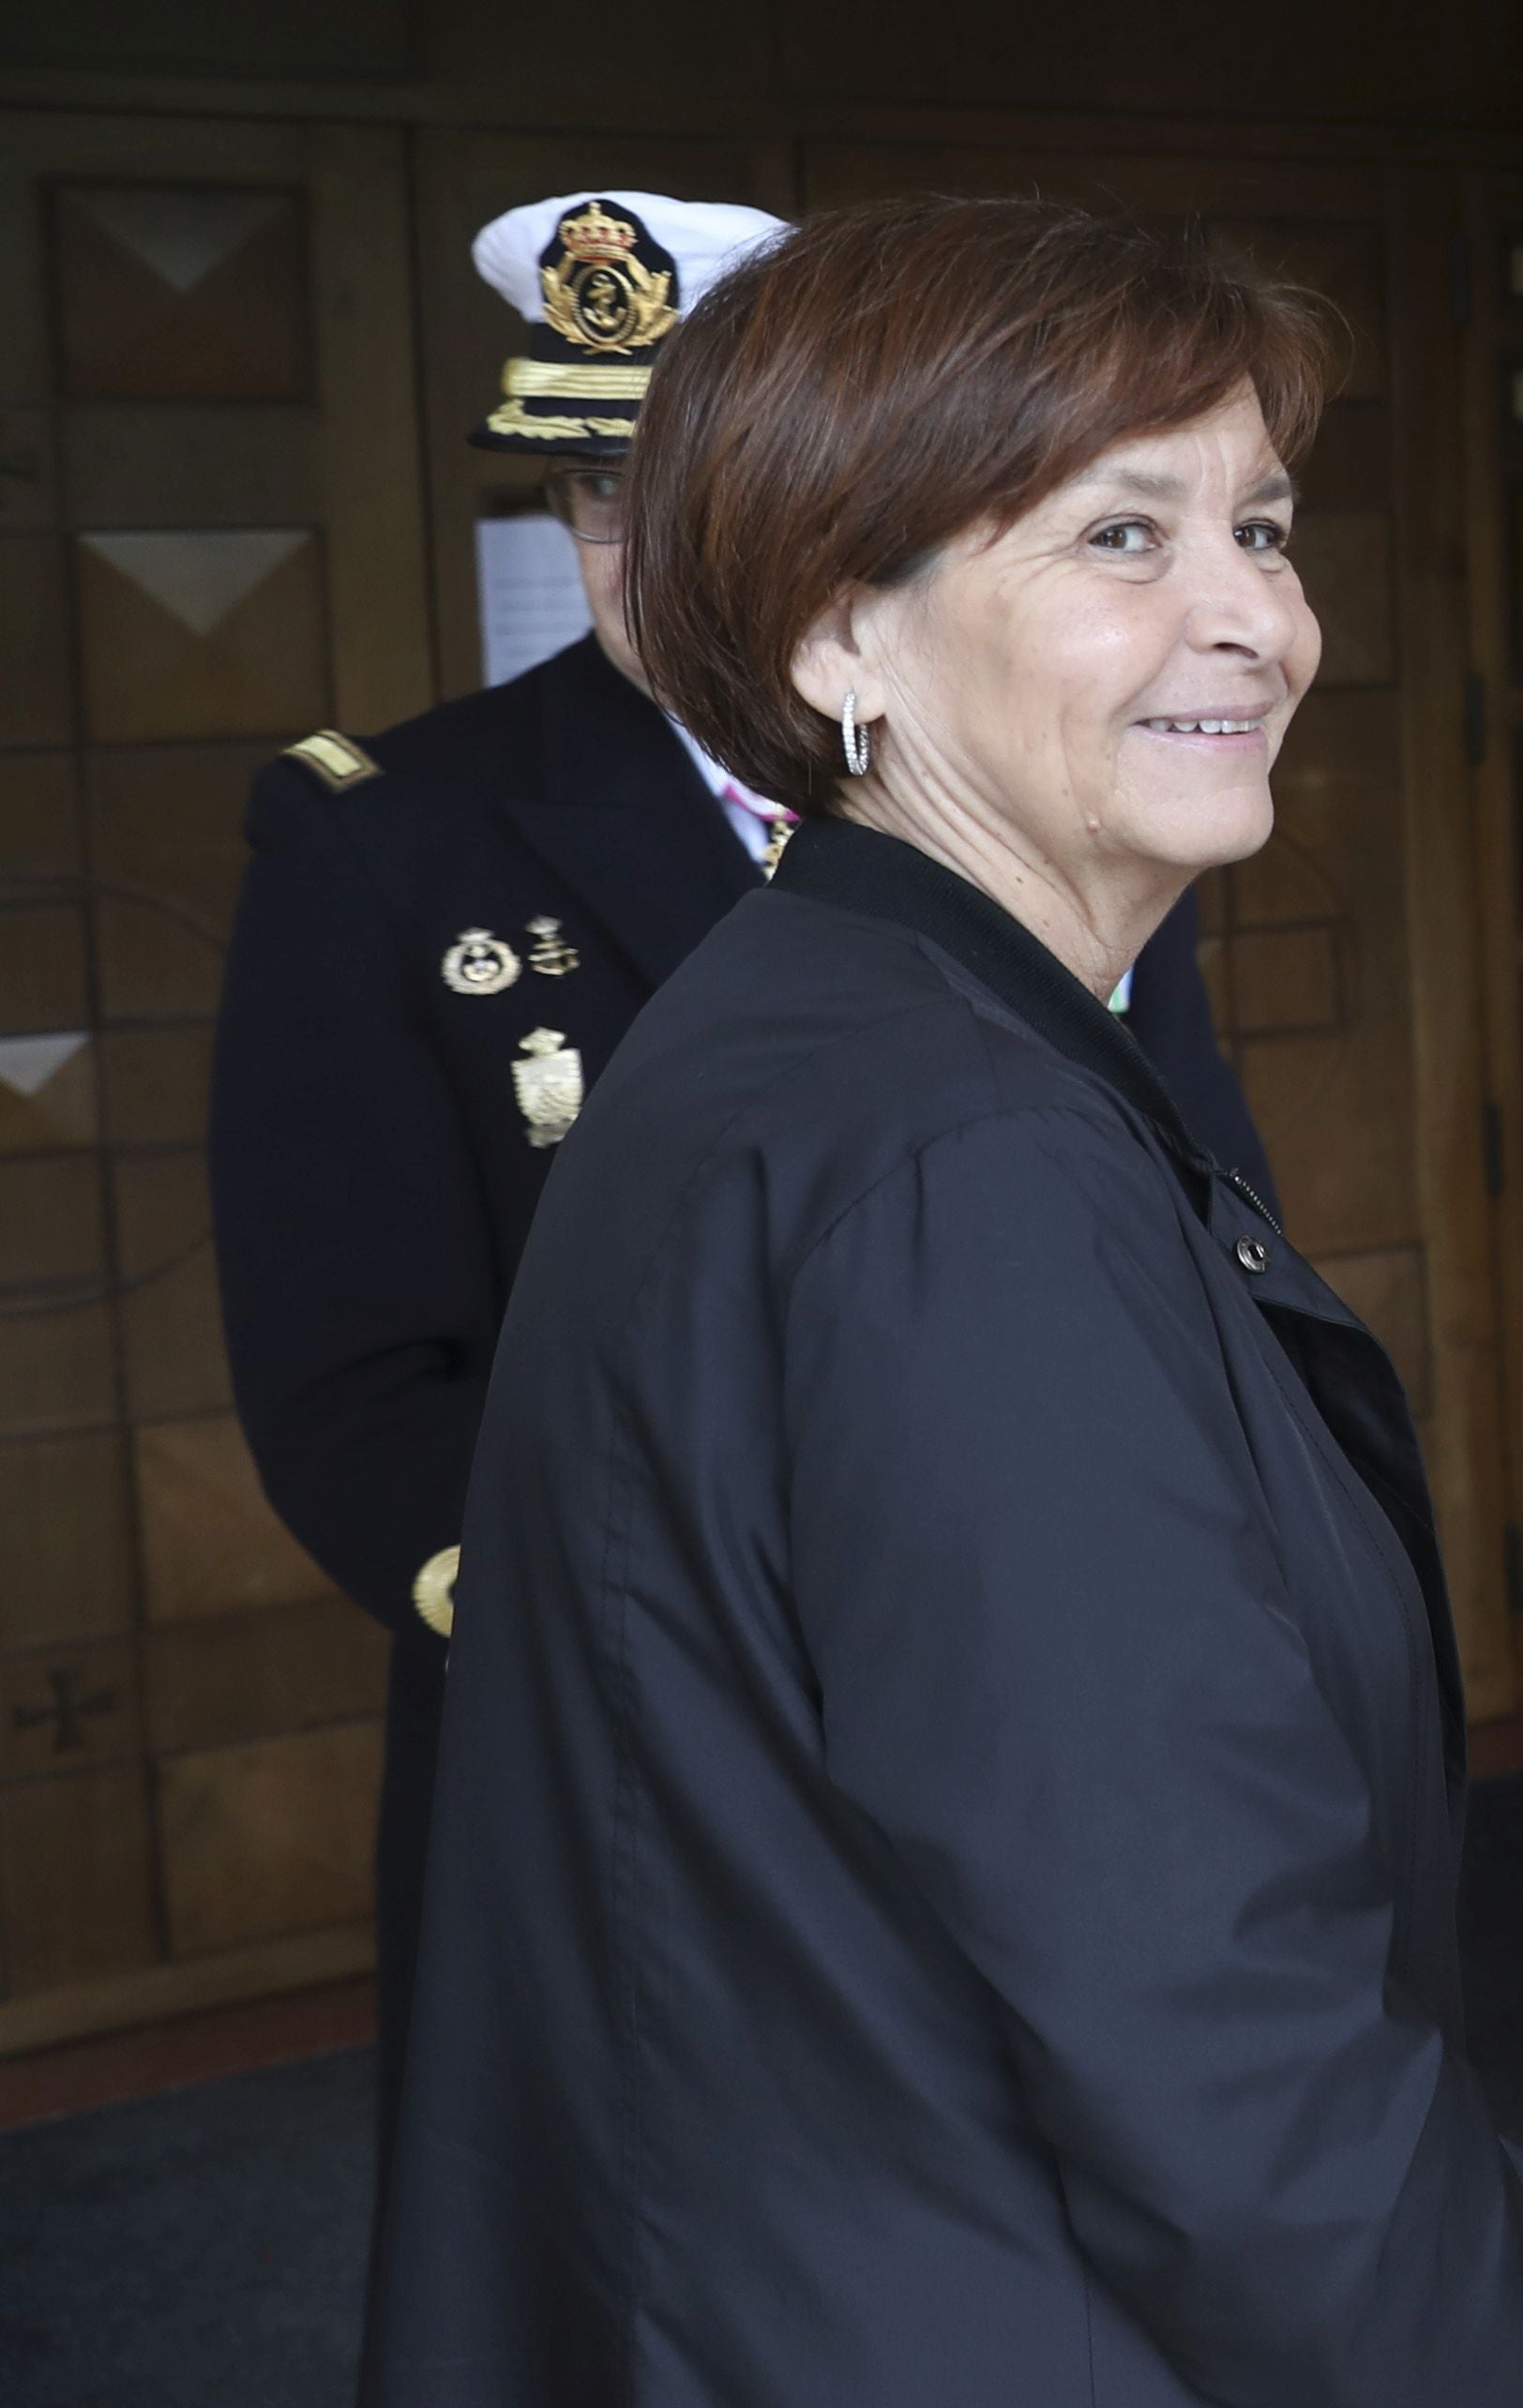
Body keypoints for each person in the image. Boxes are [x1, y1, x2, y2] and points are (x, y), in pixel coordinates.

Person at [363, 198, 1523, 2408]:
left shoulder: (838, 1020)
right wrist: (1518, 2324)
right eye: (1121, 538)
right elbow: (1213, 2041)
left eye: (1266, 523)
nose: (1257, 616)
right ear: (844, 632)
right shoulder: (957, 1158)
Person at [205, 190, 1262, 2179]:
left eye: (690, 482)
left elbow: (1202, 1217)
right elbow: (358, 1388)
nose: (640, 544)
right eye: (599, 491)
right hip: (641, 1753)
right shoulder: (389, 839)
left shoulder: (1050, 764)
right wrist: (679, 1665)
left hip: (1064, 1697)